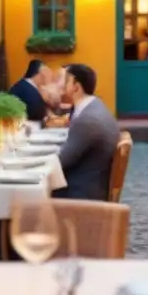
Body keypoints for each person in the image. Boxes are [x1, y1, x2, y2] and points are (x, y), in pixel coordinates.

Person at [55, 64, 120, 200]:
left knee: (26, 193)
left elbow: (60, 163)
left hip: (80, 192)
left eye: (65, 81)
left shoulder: (87, 121)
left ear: (76, 87)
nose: (60, 85)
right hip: (90, 182)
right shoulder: (95, 105)